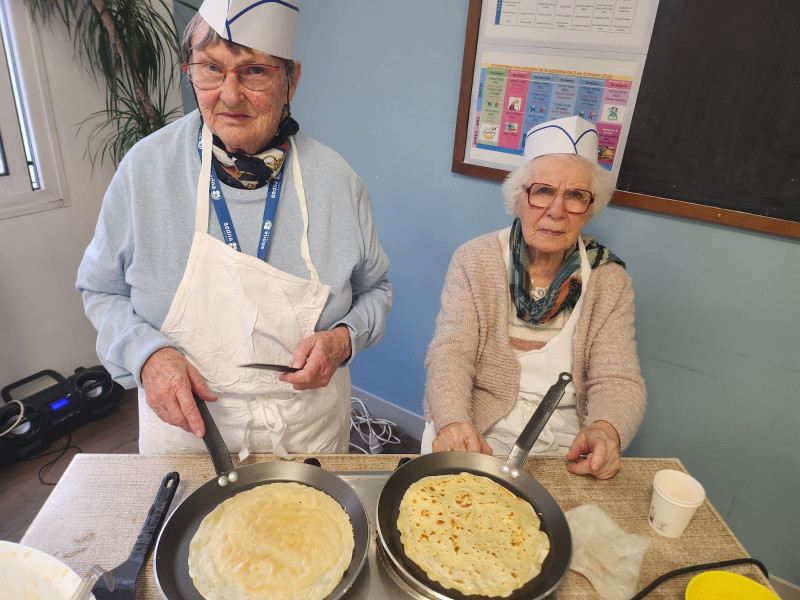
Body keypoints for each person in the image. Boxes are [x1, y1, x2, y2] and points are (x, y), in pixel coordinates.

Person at [76, 0, 391, 456]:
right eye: (211, 68)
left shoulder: (337, 181)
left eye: (254, 71)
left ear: (291, 80)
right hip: (186, 430)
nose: (229, 95)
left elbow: (375, 289)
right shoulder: (145, 170)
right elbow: (100, 290)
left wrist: (342, 340)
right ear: (190, 72)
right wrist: (147, 356)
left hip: (307, 430)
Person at [422, 116, 644, 479]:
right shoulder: (474, 261)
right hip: (477, 428)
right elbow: (451, 353)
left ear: (590, 208)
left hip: (566, 444)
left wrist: (606, 430)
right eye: (543, 191)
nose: (556, 211)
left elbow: (617, 378)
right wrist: (453, 421)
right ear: (518, 198)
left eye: (575, 196)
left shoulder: (609, 279)